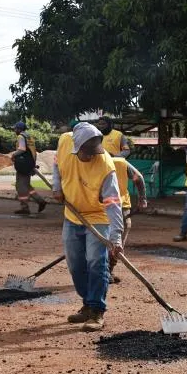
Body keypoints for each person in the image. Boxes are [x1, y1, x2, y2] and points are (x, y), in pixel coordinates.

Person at [52, 122, 124, 332]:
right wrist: (57, 186)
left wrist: (116, 237)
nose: (90, 156)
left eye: (94, 152)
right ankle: (87, 304)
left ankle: (97, 310)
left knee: (96, 262)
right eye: (86, 152)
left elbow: (113, 203)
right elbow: (56, 164)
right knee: (75, 264)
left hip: (97, 216)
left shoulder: (105, 166)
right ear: (76, 147)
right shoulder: (65, 141)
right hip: (72, 214)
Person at [109, 156, 148, 283]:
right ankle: (102, 270)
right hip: (100, 206)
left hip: (120, 204)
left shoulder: (120, 163)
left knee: (119, 234)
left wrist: (142, 199)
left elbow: (138, 178)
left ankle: (109, 269)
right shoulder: (90, 163)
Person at [11, 121, 47, 215]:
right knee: (26, 185)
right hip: (29, 163)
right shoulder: (29, 137)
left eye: (15, 129)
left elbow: (22, 149)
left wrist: (13, 155)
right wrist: (32, 164)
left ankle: (25, 207)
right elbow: (32, 151)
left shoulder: (21, 136)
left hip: (23, 165)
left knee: (20, 186)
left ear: (19, 129)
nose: (15, 130)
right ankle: (40, 201)